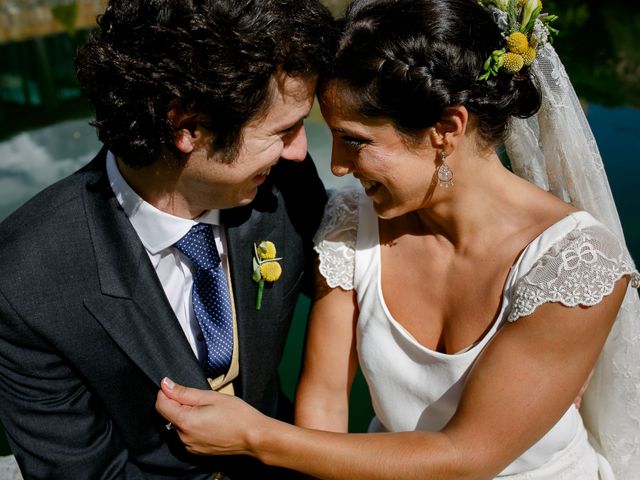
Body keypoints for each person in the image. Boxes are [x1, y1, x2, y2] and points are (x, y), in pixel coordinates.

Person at [156, 0, 640, 478]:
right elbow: (323, 401)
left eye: (356, 140)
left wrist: (254, 436)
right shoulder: (351, 224)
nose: (337, 166)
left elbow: (468, 457)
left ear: (445, 130)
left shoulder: (572, 263)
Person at [0, 0, 335, 478]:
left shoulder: (284, 185)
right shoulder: (23, 280)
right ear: (188, 128)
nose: (300, 151)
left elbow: (353, 289)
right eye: (284, 130)